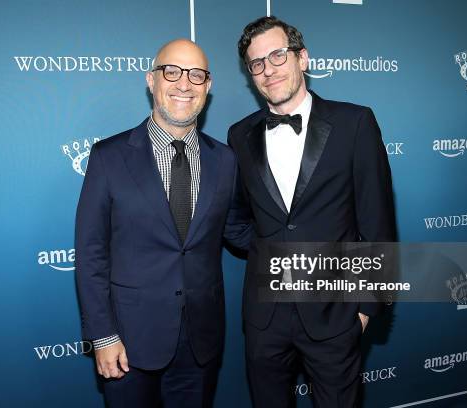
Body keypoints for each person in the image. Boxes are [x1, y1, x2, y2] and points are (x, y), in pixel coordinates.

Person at [228, 16, 396, 408]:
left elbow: (377, 221)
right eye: (257, 63)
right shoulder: (240, 135)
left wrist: (366, 307)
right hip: (264, 319)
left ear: (302, 58)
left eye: (278, 55)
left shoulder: (355, 123)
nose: (268, 70)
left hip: (335, 314)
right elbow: (234, 217)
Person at [75, 39, 250, 408]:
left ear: (209, 86)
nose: (184, 84)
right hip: (128, 341)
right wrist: (103, 336)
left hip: (201, 342)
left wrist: (314, 246)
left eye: (196, 75)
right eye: (171, 72)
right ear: (151, 80)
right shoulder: (109, 156)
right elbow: (91, 253)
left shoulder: (225, 160)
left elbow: (238, 231)